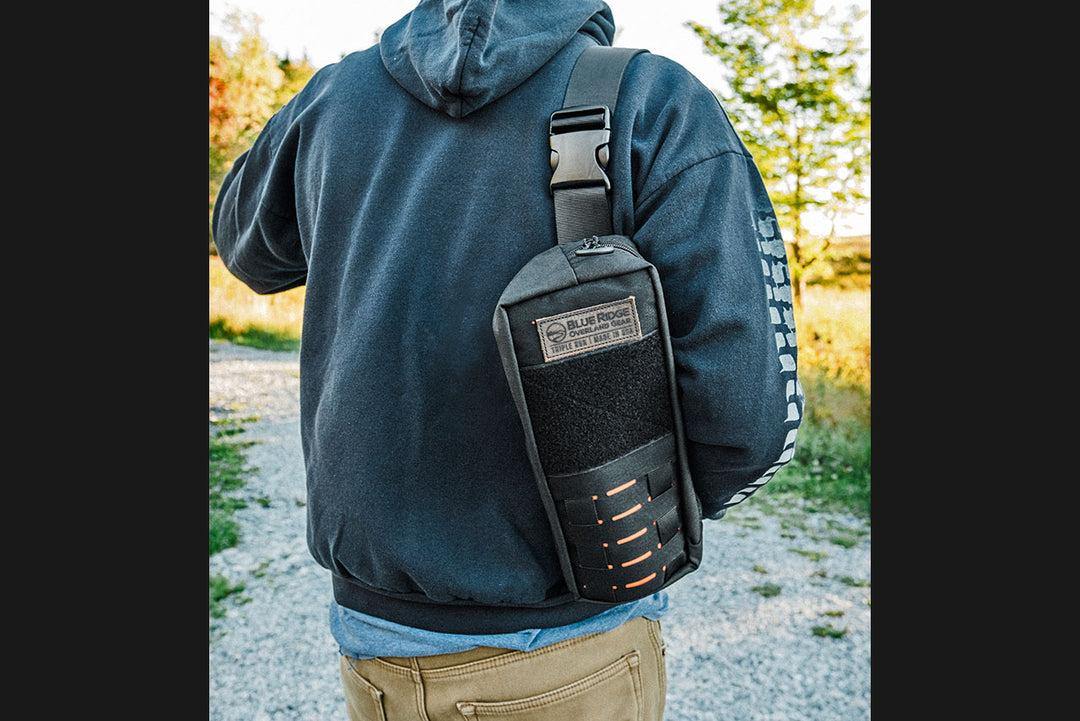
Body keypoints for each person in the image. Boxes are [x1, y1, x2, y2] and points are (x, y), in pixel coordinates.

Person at [212, 1, 803, 718]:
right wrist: (622, 505)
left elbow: (245, 242)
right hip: (576, 644)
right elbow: (749, 420)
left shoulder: (334, 98)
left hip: (374, 647)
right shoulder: (655, 103)